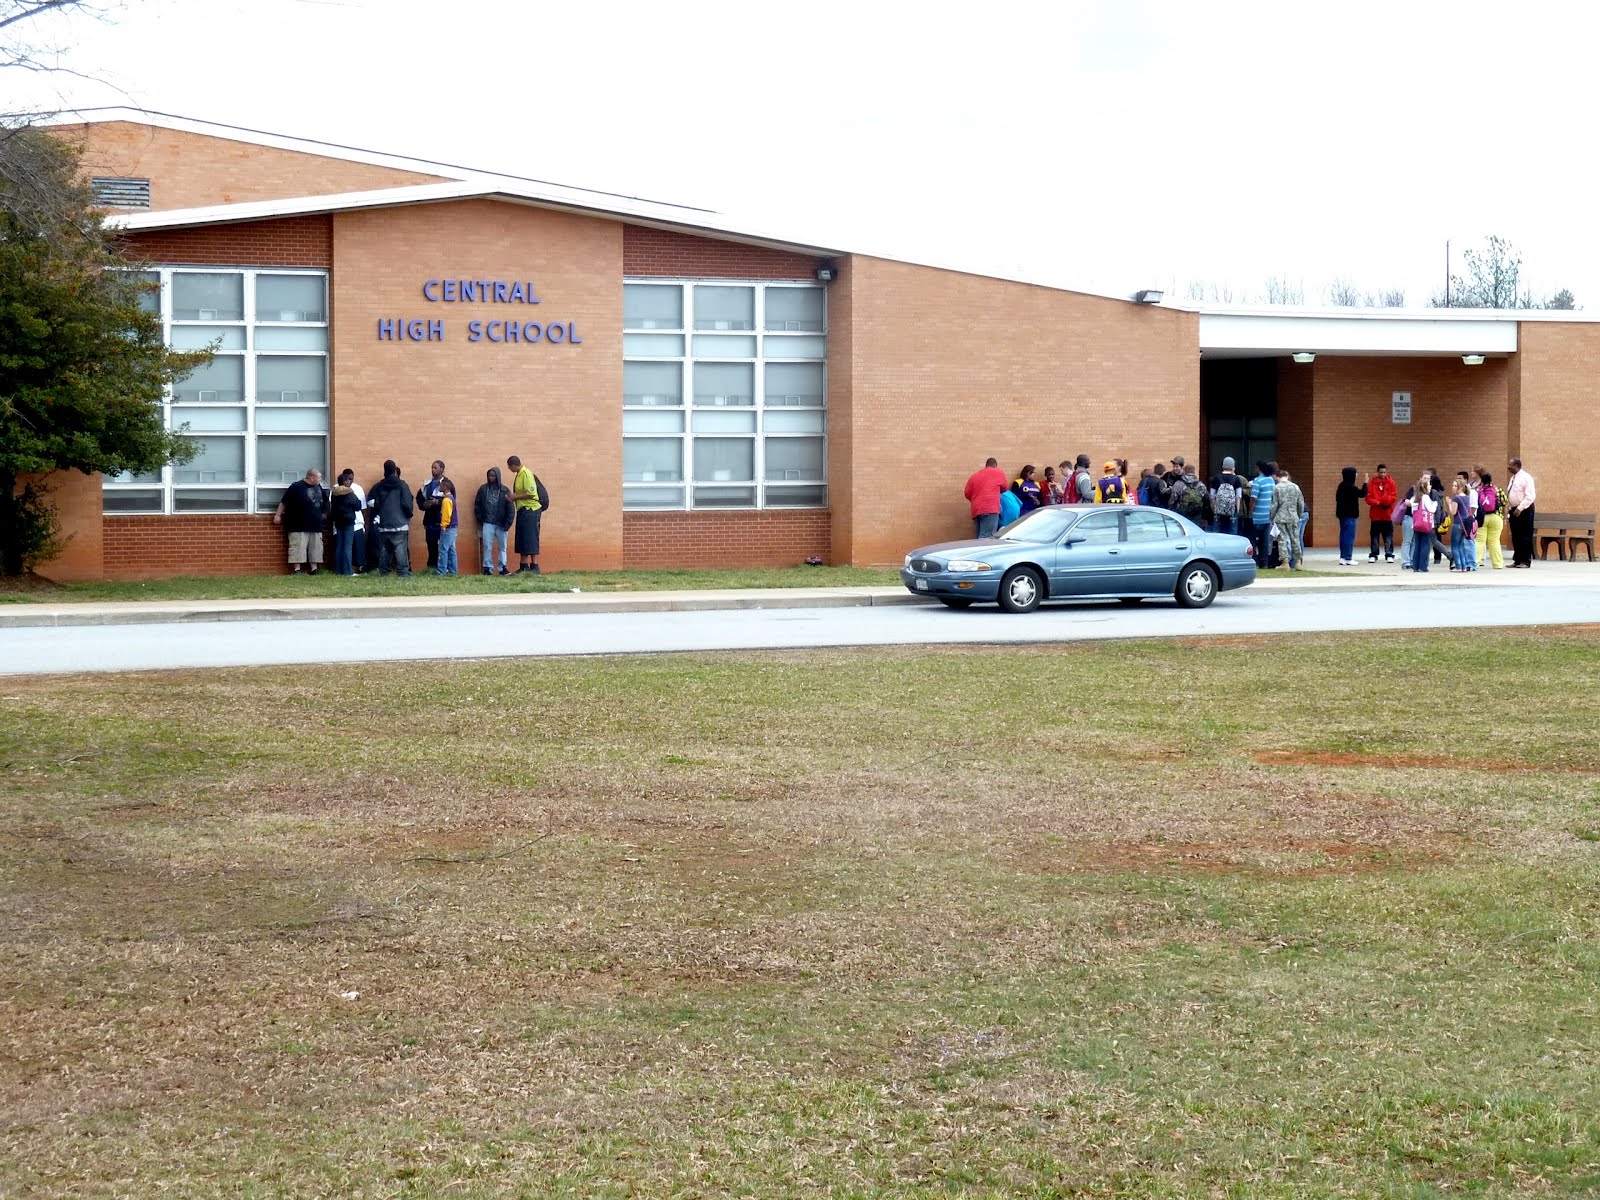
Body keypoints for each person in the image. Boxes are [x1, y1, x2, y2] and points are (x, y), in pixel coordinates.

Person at [272, 466, 327, 575]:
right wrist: (277, 515)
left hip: (315, 524)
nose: (320, 480)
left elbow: (324, 502)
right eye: (318, 478)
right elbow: (284, 502)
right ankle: (297, 569)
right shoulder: (296, 487)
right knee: (298, 547)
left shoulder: (318, 487)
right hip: (298, 524)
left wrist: (325, 513)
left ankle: (314, 568)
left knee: (316, 547)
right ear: (311, 478)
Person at [368, 459, 414, 577]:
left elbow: (376, 504)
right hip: (400, 522)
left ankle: (384, 571)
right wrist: (407, 516)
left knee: (385, 549)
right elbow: (407, 503)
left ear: (384, 471)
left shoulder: (379, 486)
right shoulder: (402, 485)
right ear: (395, 470)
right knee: (400, 549)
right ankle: (403, 572)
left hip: (384, 522)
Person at [508, 454, 545, 573]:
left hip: (531, 510)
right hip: (523, 510)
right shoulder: (519, 475)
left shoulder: (526, 474)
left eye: (509, 467)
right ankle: (523, 566)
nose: (509, 469)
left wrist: (515, 497)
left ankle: (534, 566)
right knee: (522, 538)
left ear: (514, 465)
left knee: (531, 537)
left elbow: (531, 493)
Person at [415, 460, 454, 572]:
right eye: (432, 467)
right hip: (430, 521)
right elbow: (419, 498)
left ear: (442, 469)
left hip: (442, 521)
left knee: (445, 547)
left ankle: (445, 569)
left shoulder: (447, 483)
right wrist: (424, 505)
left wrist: (437, 502)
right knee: (431, 546)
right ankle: (432, 568)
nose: (433, 470)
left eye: (435, 468)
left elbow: (451, 499)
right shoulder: (427, 484)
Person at [475, 466, 515, 573]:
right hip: (487, 522)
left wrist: (508, 523)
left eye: (493, 475)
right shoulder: (483, 489)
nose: (491, 478)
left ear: (498, 476)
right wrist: (480, 519)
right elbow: (477, 505)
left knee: (502, 547)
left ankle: (503, 568)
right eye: (489, 476)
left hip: (501, 523)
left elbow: (511, 508)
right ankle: (487, 567)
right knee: (487, 545)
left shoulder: (505, 490)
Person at [1268, 468, 1307, 569]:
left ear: (1278, 477)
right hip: (1293, 517)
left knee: (1282, 540)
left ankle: (1285, 562)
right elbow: (1300, 504)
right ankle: (1298, 562)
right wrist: (1298, 515)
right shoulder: (1295, 487)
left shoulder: (1277, 488)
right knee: (1295, 539)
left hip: (1280, 517)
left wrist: (1271, 518)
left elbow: (1274, 505)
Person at [330, 468, 365, 576]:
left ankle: (339, 570)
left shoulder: (334, 493)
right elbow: (358, 506)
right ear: (345, 482)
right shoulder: (349, 493)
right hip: (349, 522)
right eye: (348, 480)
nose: (350, 482)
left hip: (338, 522)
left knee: (339, 546)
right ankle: (348, 571)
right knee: (347, 547)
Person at [1401, 472, 1438, 573]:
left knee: (1417, 545)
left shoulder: (1415, 498)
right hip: (1425, 524)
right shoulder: (1426, 497)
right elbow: (1431, 509)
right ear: (1425, 488)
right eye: (1429, 484)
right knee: (1425, 545)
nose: (1430, 486)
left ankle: (1416, 566)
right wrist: (1434, 504)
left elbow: (1413, 510)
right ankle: (1423, 566)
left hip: (1416, 524)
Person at [1361, 463, 1397, 563]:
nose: (1382, 474)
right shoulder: (1372, 483)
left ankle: (1389, 554)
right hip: (1376, 515)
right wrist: (1377, 502)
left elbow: (1393, 497)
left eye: (1384, 472)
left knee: (1388, 536)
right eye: (1381, 472)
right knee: (1374, 536)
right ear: (1377, 472)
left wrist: (1383, 501)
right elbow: (1368, 498)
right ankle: (1374, 554)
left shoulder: (1391, 483)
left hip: (1387, 514)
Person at [1505, 457, 1537, 568]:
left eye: (1511, 465)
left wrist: (1520, 508)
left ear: (1517, 465)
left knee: (1525, 535)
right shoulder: (1513, 478)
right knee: (1516, 536)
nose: (1508, 467)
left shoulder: (1526, 478)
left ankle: (1525, 561)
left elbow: (1530, 496)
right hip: (1514, 510)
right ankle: (1517, 560)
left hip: (1524, 510)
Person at [1475, 467, 1506, 569]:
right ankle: (1498, 564)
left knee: (1480, 541)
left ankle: (1476, 562)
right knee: (1495, 541)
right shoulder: (1498, 490)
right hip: (1496, 517)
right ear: (1491, 480)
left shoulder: (1478, 491)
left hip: (1482, 518)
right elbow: (1505, 502)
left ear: (1481, 481)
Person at [1248, 460, 1277, 564]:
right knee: (1264, 542)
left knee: (1252, 540)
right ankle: (1264, 562)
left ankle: (1254, 561)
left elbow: (1254, 498)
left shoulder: (1257, 481)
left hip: (1257, 516)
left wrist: (1250, 512)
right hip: (1267, 516)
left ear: (1258, 468)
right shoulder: (1271, 480)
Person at [1447, 478, 1476, 571]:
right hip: (1465, 524)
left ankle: (1458, 566)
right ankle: (1464, 566)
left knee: (1455, 546)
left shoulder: (1456, 498)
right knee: (1461, 545)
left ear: (1460, 487)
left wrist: (1449, 503)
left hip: (1457, 523)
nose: (1453, 487)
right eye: (1453, 485)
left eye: (1455, 486)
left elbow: (1453, 512)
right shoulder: (1467, 497)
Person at [1334, 466, 1362, 565]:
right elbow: (1362, 493)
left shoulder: (1341, 486)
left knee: (1343, 536)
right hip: (1350, 515)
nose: (1356, 475)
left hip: (1342, 516)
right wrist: (1366, 483)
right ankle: (1348, 557)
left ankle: (1343, 557)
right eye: (1355, 473)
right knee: (1349, 536)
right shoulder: (1351, 487)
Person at [1210, 457, 1243, 535]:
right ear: (1233, 467)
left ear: (1223, 467)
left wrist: (1214, 508)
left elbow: (1212, 496)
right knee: (1232, 531)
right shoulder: (1236, 479)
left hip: (1218, 510)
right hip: (1232, 511)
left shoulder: (1216, 478)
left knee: (1217, 531)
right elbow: (1238, 496)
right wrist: (1237, 510)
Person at [1168, 461, 1207, 525]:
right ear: (1194, 472)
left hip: (1182, 515)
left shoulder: (1178, 484)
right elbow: (1206, 500)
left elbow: (1173, 500)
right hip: (1197, 515)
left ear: (1184, 472)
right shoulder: (1201, 485)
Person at [435, 479, 459, 575]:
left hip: (448, 528)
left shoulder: (446, 500)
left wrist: (443, 525)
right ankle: (453, 571)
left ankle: (441, 571)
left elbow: (446, 515)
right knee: (451, 549)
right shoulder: (451, 498)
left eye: (440, 485)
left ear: (445, 487)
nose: (439, 487)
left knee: (443, 550)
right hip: (453, 527)